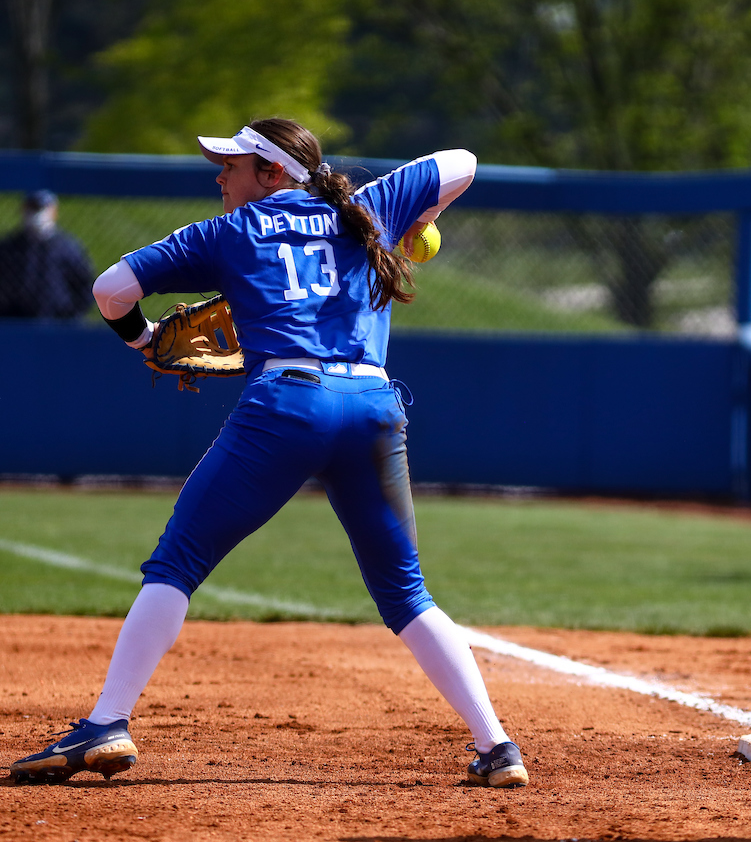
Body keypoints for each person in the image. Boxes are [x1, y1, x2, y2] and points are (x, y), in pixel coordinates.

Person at [10, 119, 530, 790]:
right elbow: (463, 157)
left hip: (287, 403)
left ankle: (109, 720)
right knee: (405, 593)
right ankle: (498, 748)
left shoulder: (229, 232)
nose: (220, 175)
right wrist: (405, 215)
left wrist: (147, 344)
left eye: (235, 164)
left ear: (274, 174)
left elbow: (110, 290)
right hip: (373, 408)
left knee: (177, 561)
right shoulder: (366, 208)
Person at [0, 190, 94, 318]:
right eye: (32, 208)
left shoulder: (67, 248)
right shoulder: (10, 247)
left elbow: (85, 285)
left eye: (40, 208)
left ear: (54, 211)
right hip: (16, 323)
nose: (36, 214)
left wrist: (70, 316)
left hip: (57, 323)